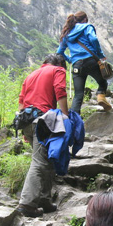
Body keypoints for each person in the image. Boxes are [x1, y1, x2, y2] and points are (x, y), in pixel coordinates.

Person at [15, 53, 69, 217]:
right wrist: (65, 116)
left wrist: (24, 130)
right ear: (60, 64)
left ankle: (44, 200)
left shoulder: (31, 75)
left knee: (46, 160)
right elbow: (60, 91)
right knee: (39, 162)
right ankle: (27, 203)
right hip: (42, 121)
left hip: (26, 120)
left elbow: (21, 101)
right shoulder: (58, 70)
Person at [57, 11, 112, 114]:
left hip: (77, 66)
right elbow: (94, 39)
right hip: (91, 61)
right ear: (85, 19)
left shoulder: (67, 33)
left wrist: (70, 59)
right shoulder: (87, 27)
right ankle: (100, 96)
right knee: (103, 81)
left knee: (78, 94)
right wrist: (100, 55)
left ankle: (73, 121)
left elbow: (59, 52)